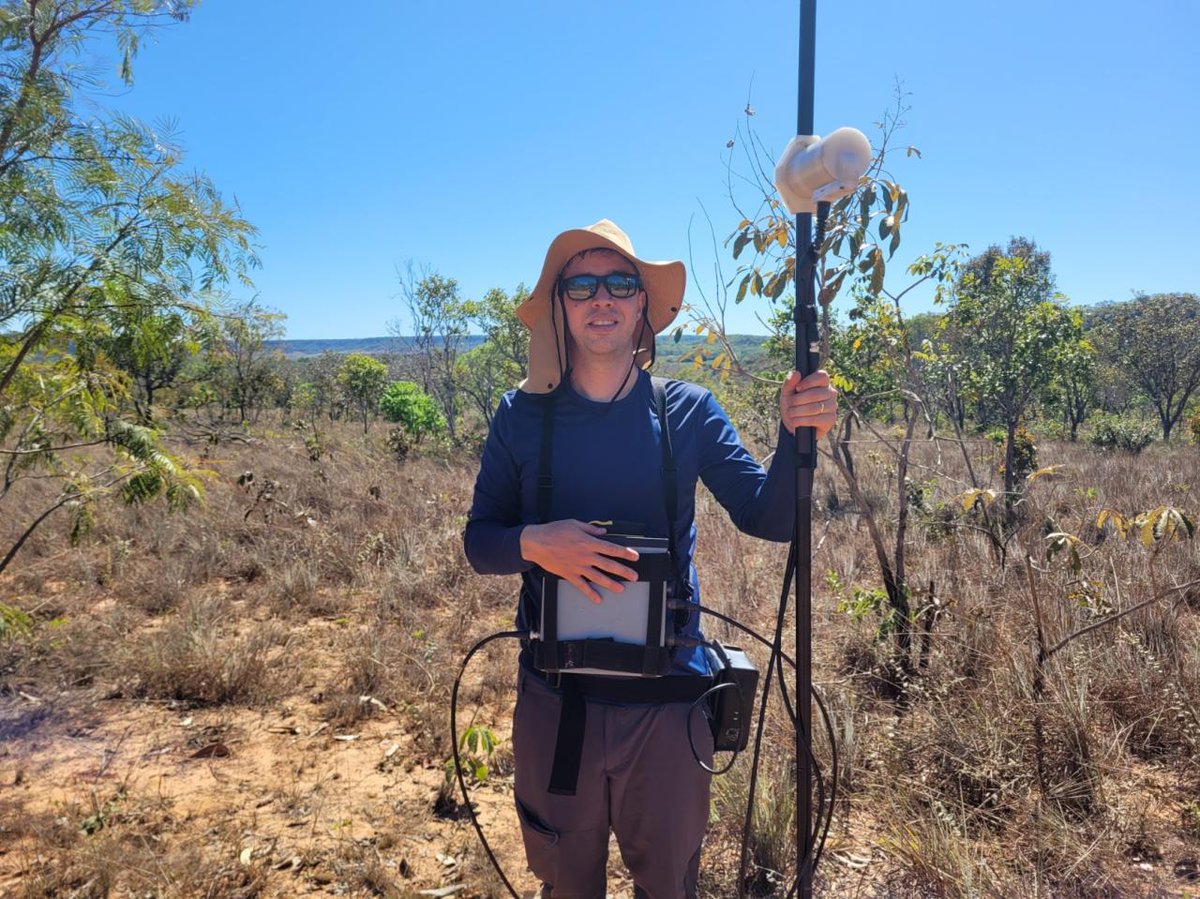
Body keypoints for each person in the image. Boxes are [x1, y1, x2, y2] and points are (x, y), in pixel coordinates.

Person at [463, 219, 837, 899]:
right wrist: (536, 543)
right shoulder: (520, 416)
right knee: (566, 885)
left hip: (668, 708)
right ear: (560, 304)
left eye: (619, 282)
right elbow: (480, 540)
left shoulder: (689, 412)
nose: (601, 298)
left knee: (668, 884)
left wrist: (795, 435)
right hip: (558, 704)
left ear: (642, 304)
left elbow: (769, 516)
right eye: (581, 284)